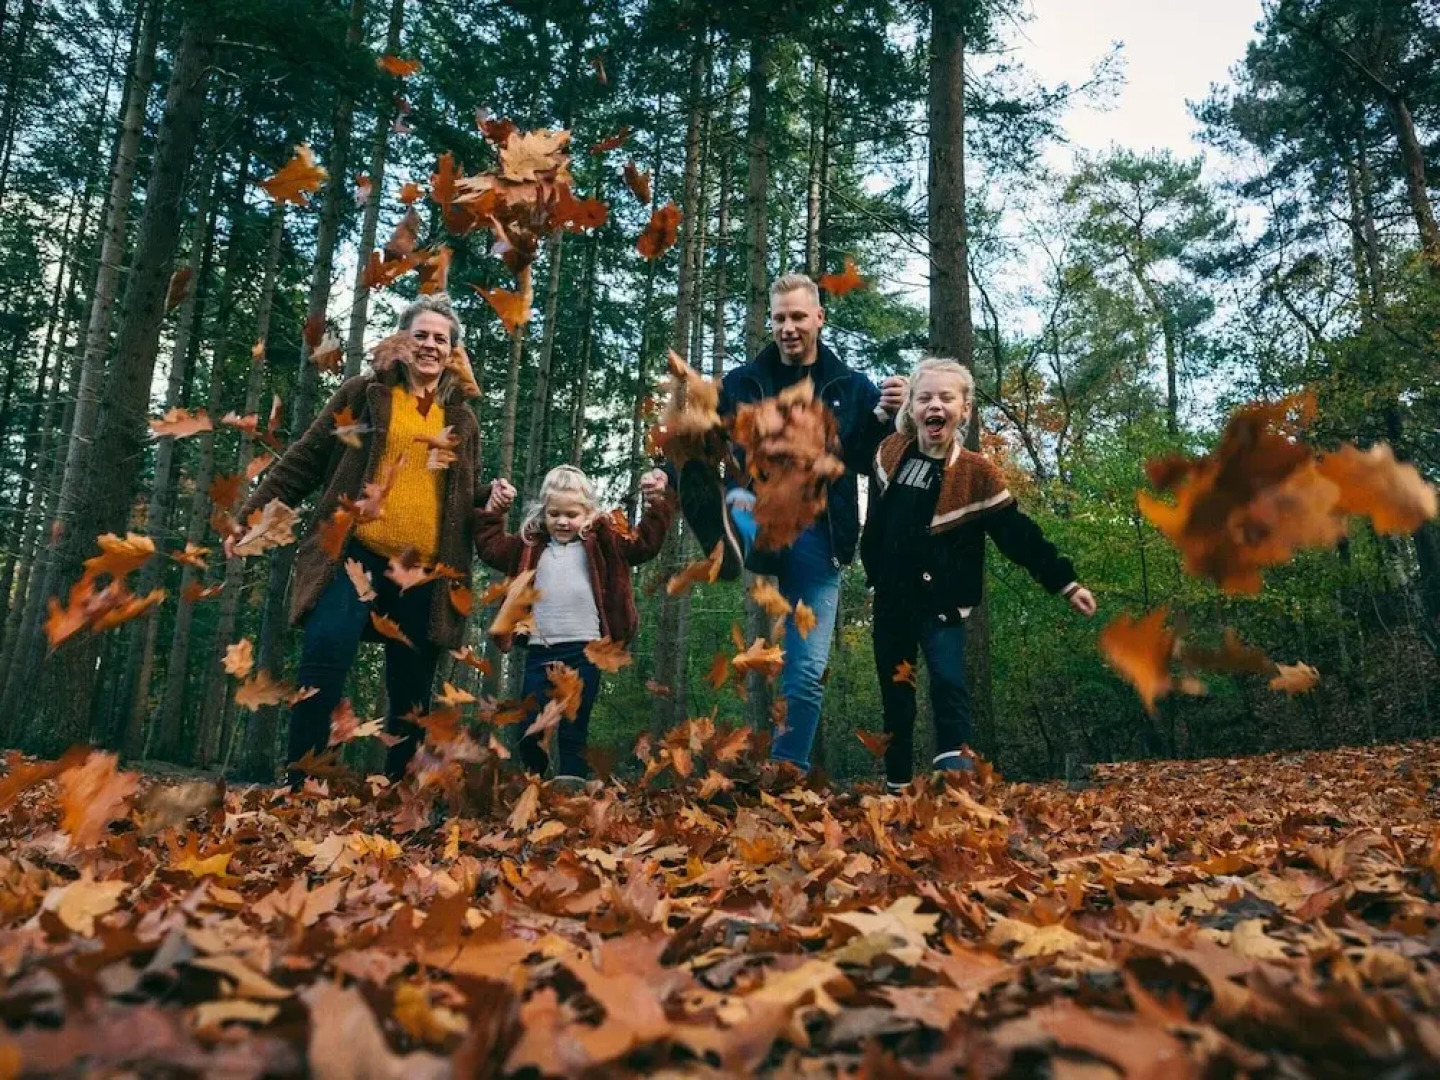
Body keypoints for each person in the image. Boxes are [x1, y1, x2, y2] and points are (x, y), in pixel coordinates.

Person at [224, 294, 489, 782]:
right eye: (421, 335)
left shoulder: (462, 420)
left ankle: (398, 795)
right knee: (325, 652)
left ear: (453, 352)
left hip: (424, 572)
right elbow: (305, 458)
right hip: (354, 554)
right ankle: (303, 783)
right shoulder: (364, 394)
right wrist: (250, 516)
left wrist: (492, 498)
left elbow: (463, 494)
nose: (430, 345)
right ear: (402, 341)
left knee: (411, 690)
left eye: (441, 339)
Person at [677, 273, 907, 772]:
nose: (788, 328)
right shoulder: (741, 384)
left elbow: (866, 461)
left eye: (798, 317)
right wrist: (671, 464)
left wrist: (890, 415)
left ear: (819, 318)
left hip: (818, 535)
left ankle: (787, 770)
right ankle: (730, 539)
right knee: (720, 477)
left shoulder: (851, 387)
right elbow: (703, 440)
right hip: (755, 512)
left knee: (805, 670)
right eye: (780, 318)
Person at [859, 357, 1097, 791]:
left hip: (942, 604)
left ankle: (956, 787)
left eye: (946, 398)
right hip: (892, 599)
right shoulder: (890, 452)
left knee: (948, 686)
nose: (935, 405)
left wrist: (1065, 583)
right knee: (896, 697)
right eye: (925, 398)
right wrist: (876, 415)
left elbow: (1019, 535)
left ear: (964, 409)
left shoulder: (977, 474)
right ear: (911, 407)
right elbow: (849, 456)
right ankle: (896, 789)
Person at [475, 464, 674, 784]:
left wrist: (657, 504)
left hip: (586, 651)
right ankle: (533, 780)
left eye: (572, 514)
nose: (563, 521)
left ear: (588, 513)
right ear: (543, 512)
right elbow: (491, 548)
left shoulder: (604, 544)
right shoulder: (530, 547)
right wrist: (493, 511)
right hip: (541, 652)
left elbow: (644, 545)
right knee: (531, 719)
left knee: (574, 724)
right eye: (554, 514)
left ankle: (572, 783)